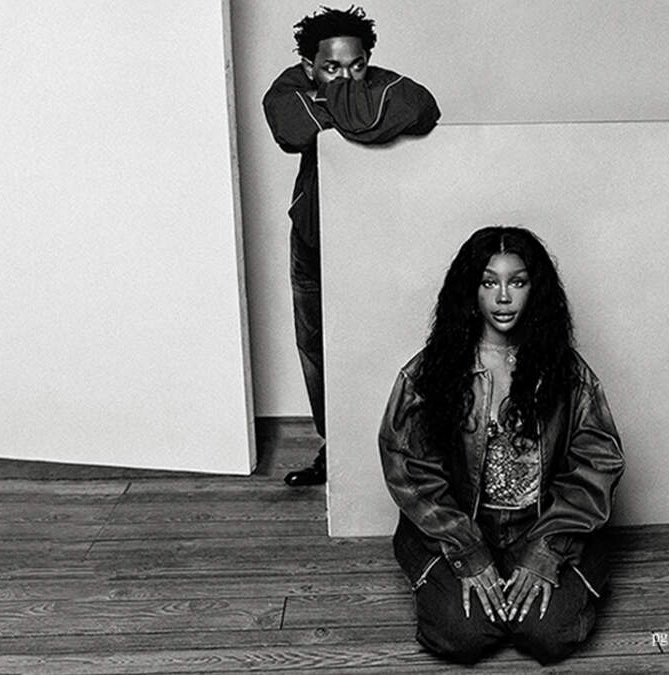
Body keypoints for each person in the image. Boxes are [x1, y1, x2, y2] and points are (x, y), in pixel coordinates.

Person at [379, 226, 625, 665]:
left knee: (549, 635)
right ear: (470, 290)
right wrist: (468, 551)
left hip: (542, 525)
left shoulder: (567, 374)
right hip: (461, 528)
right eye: (489, 282)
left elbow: (597, 464)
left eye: (518, 282)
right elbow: (410, 469)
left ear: (536, 289)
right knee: (463, 634)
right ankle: (480, 593)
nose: (504, 297)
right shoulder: (429, 374)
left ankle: (540, 587)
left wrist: (547, 549)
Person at [263, 6, 441, 486]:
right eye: (331, 68)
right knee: (317, 348)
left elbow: (423, 109)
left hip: (375, 239)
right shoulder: (287, 87)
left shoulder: (391, 84)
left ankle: (395, 454)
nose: (346, 75)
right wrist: (358, 106)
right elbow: (293, 128)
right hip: (313, 238)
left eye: (357, 65)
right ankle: (338, 451)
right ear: (308, 66)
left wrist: (329, 101)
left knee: (384, 343)